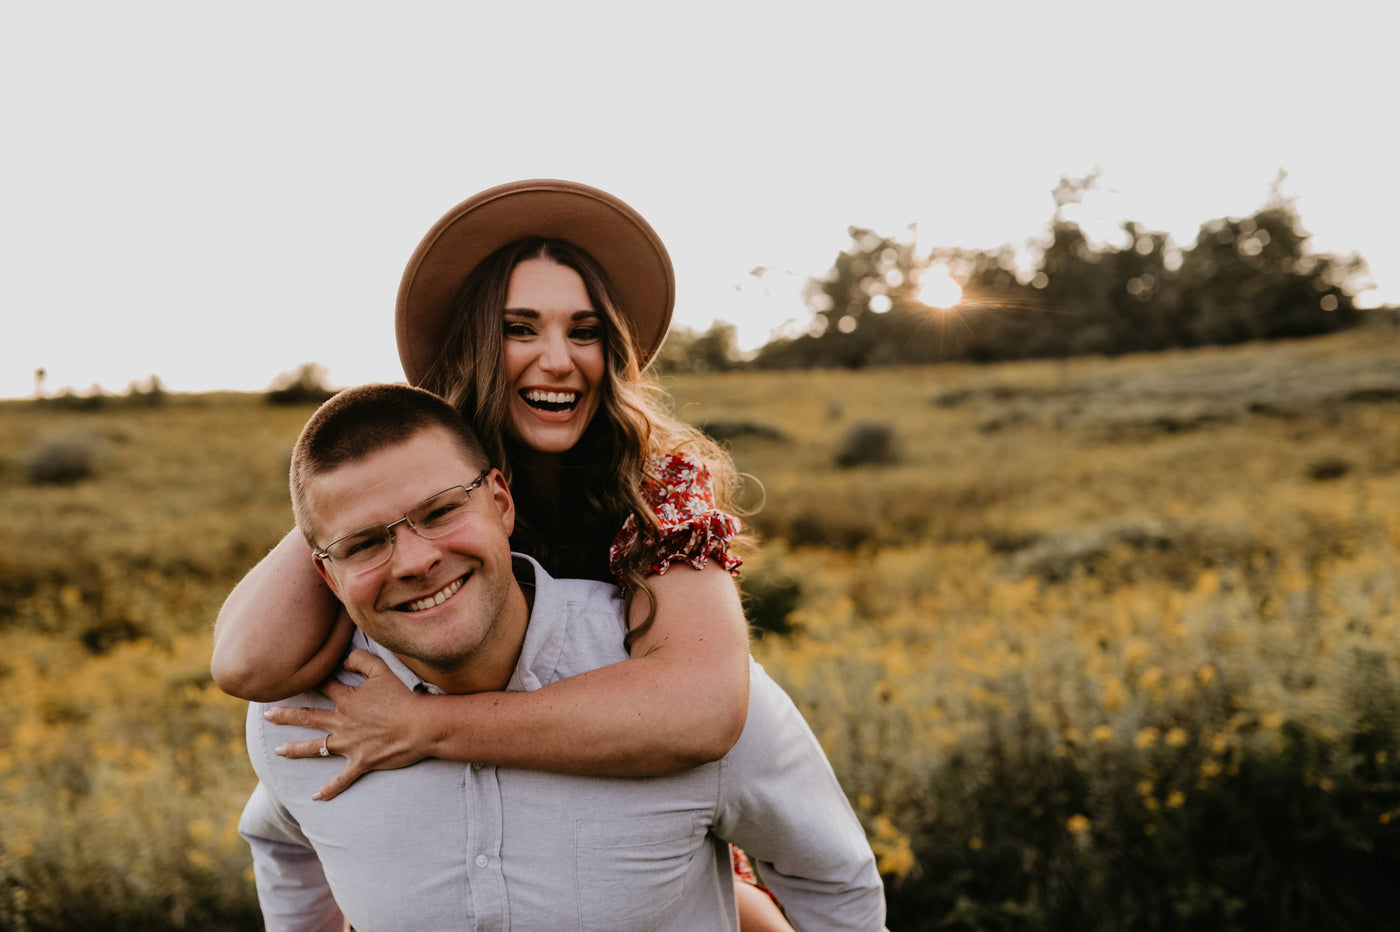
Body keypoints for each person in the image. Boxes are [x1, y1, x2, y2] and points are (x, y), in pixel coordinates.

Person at [212, 180, 787, 925]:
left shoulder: (653, 480)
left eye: (584, 332)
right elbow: (247, 666)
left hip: (629, 818)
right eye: (521, 329)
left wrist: (424, 728)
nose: (559, 359)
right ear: (476, 343)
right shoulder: (425, 480)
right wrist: (404, 466)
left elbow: (702, 710)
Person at [238, 383, 886, 931]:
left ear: (501, 502)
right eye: (363, 543)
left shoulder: (679, 681)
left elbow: (835, 885)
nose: (415, 560)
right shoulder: (302, 721)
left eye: (439, 512)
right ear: (326, 576)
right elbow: (279, 835)